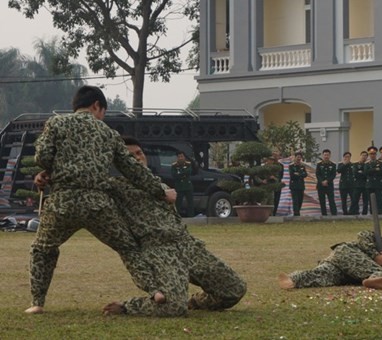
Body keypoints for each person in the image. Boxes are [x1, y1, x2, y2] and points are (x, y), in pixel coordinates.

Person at [25, 86, 171, 314]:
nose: (102, 116)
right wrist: (161, 191)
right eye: (103, 111)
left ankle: (37, 302)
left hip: (63, 202)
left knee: (43, 248)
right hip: (98, 204)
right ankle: (155, 291)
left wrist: (48, 171)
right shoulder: (108, 134)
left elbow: (42, 157)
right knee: (128, 248)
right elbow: (134, 170)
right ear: (96, 106)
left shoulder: (57, 123)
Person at [102, 136, 246, 316]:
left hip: (186, 243)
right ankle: (127, 307)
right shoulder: (115, 188)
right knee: (174, 308)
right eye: (130, 156)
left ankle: (195, 301)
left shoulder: (160, 185)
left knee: (235, 289)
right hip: (159, 249)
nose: (138, 158)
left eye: (139, 153)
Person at [278, 230, 382, 290]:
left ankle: (292, 279)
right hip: (348, 253)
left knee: (322, 275)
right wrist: (375, 255)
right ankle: (375, 280)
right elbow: (363, 235)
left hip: (343, 270)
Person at [171, 151, 194, 217]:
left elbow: (188, 172)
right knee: (178, 204)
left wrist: (180, 173)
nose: (180, 158)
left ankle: (191, 217)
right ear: (177, 158)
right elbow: (174, 175)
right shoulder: (174, 165)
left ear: (184, 157)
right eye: (179, 157)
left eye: (182, 156)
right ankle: (177, 217)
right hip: (179, 187)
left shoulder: (188, 164)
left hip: (188, 186)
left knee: (190, 203)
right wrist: (183, 174)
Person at [315, 149, 337, 216]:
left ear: (330, 155)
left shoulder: (333, 165)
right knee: (322, 201)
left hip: (329, 185)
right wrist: (322, 181)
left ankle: (334, 214)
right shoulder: (319, 164)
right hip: (320, 185)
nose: (326, 156)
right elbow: (317, 174)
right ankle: (324, 215)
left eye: (327, 155)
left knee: (331, 201)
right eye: (325, 155)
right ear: (323, 155)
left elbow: (333, 175)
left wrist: (327, 181)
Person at [364, 146, 382, 214]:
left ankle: (380, 213)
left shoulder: (380, 163)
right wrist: (375, 169)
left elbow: (381, 172)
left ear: (376, 154)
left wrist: (371, 171)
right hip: (370, 184)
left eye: (374, 154)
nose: (372, 155)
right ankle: (372, 213)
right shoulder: (367, 163)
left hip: (378, 184)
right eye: (371, 154)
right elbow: (366, 172)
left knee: (379, 200)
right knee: (370, 200)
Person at [350, 151, 369, 215]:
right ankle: (354, 212)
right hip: (357, 185)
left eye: (365, 155)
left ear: (367, 157)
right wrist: (362, 173)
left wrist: (362, 172)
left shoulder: (368, 164)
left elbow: (367, 174)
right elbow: (355, 174)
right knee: (355, 200)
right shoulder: (355, 164)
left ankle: (364, 213)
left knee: (365, 201)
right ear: (360, 156)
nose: (364, 157)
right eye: (363, 155)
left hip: (366, 185)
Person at [289, 152, 307, 216]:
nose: (299, 158)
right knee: (295, 201)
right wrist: (300, 174)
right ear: (295, 157)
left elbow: (305, 174)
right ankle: (296, 214)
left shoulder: (302, 166)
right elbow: (292, 176)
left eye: (300, 157)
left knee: (300, 200)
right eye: (297, 157)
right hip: (294, 186)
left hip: (301, 186)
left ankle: (298, 211)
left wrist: (298, 174)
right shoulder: (291, 166)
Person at [271, 151, 285, 216]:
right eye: (274, 156)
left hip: (278, 184)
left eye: (277, 156)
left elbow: (281, 175)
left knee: (277, 199)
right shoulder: (270, 165)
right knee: (271, 199)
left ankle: (274, 213)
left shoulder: (281, 166)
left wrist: (277, 180)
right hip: (271, 184)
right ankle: (270, 213)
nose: (276, 157)